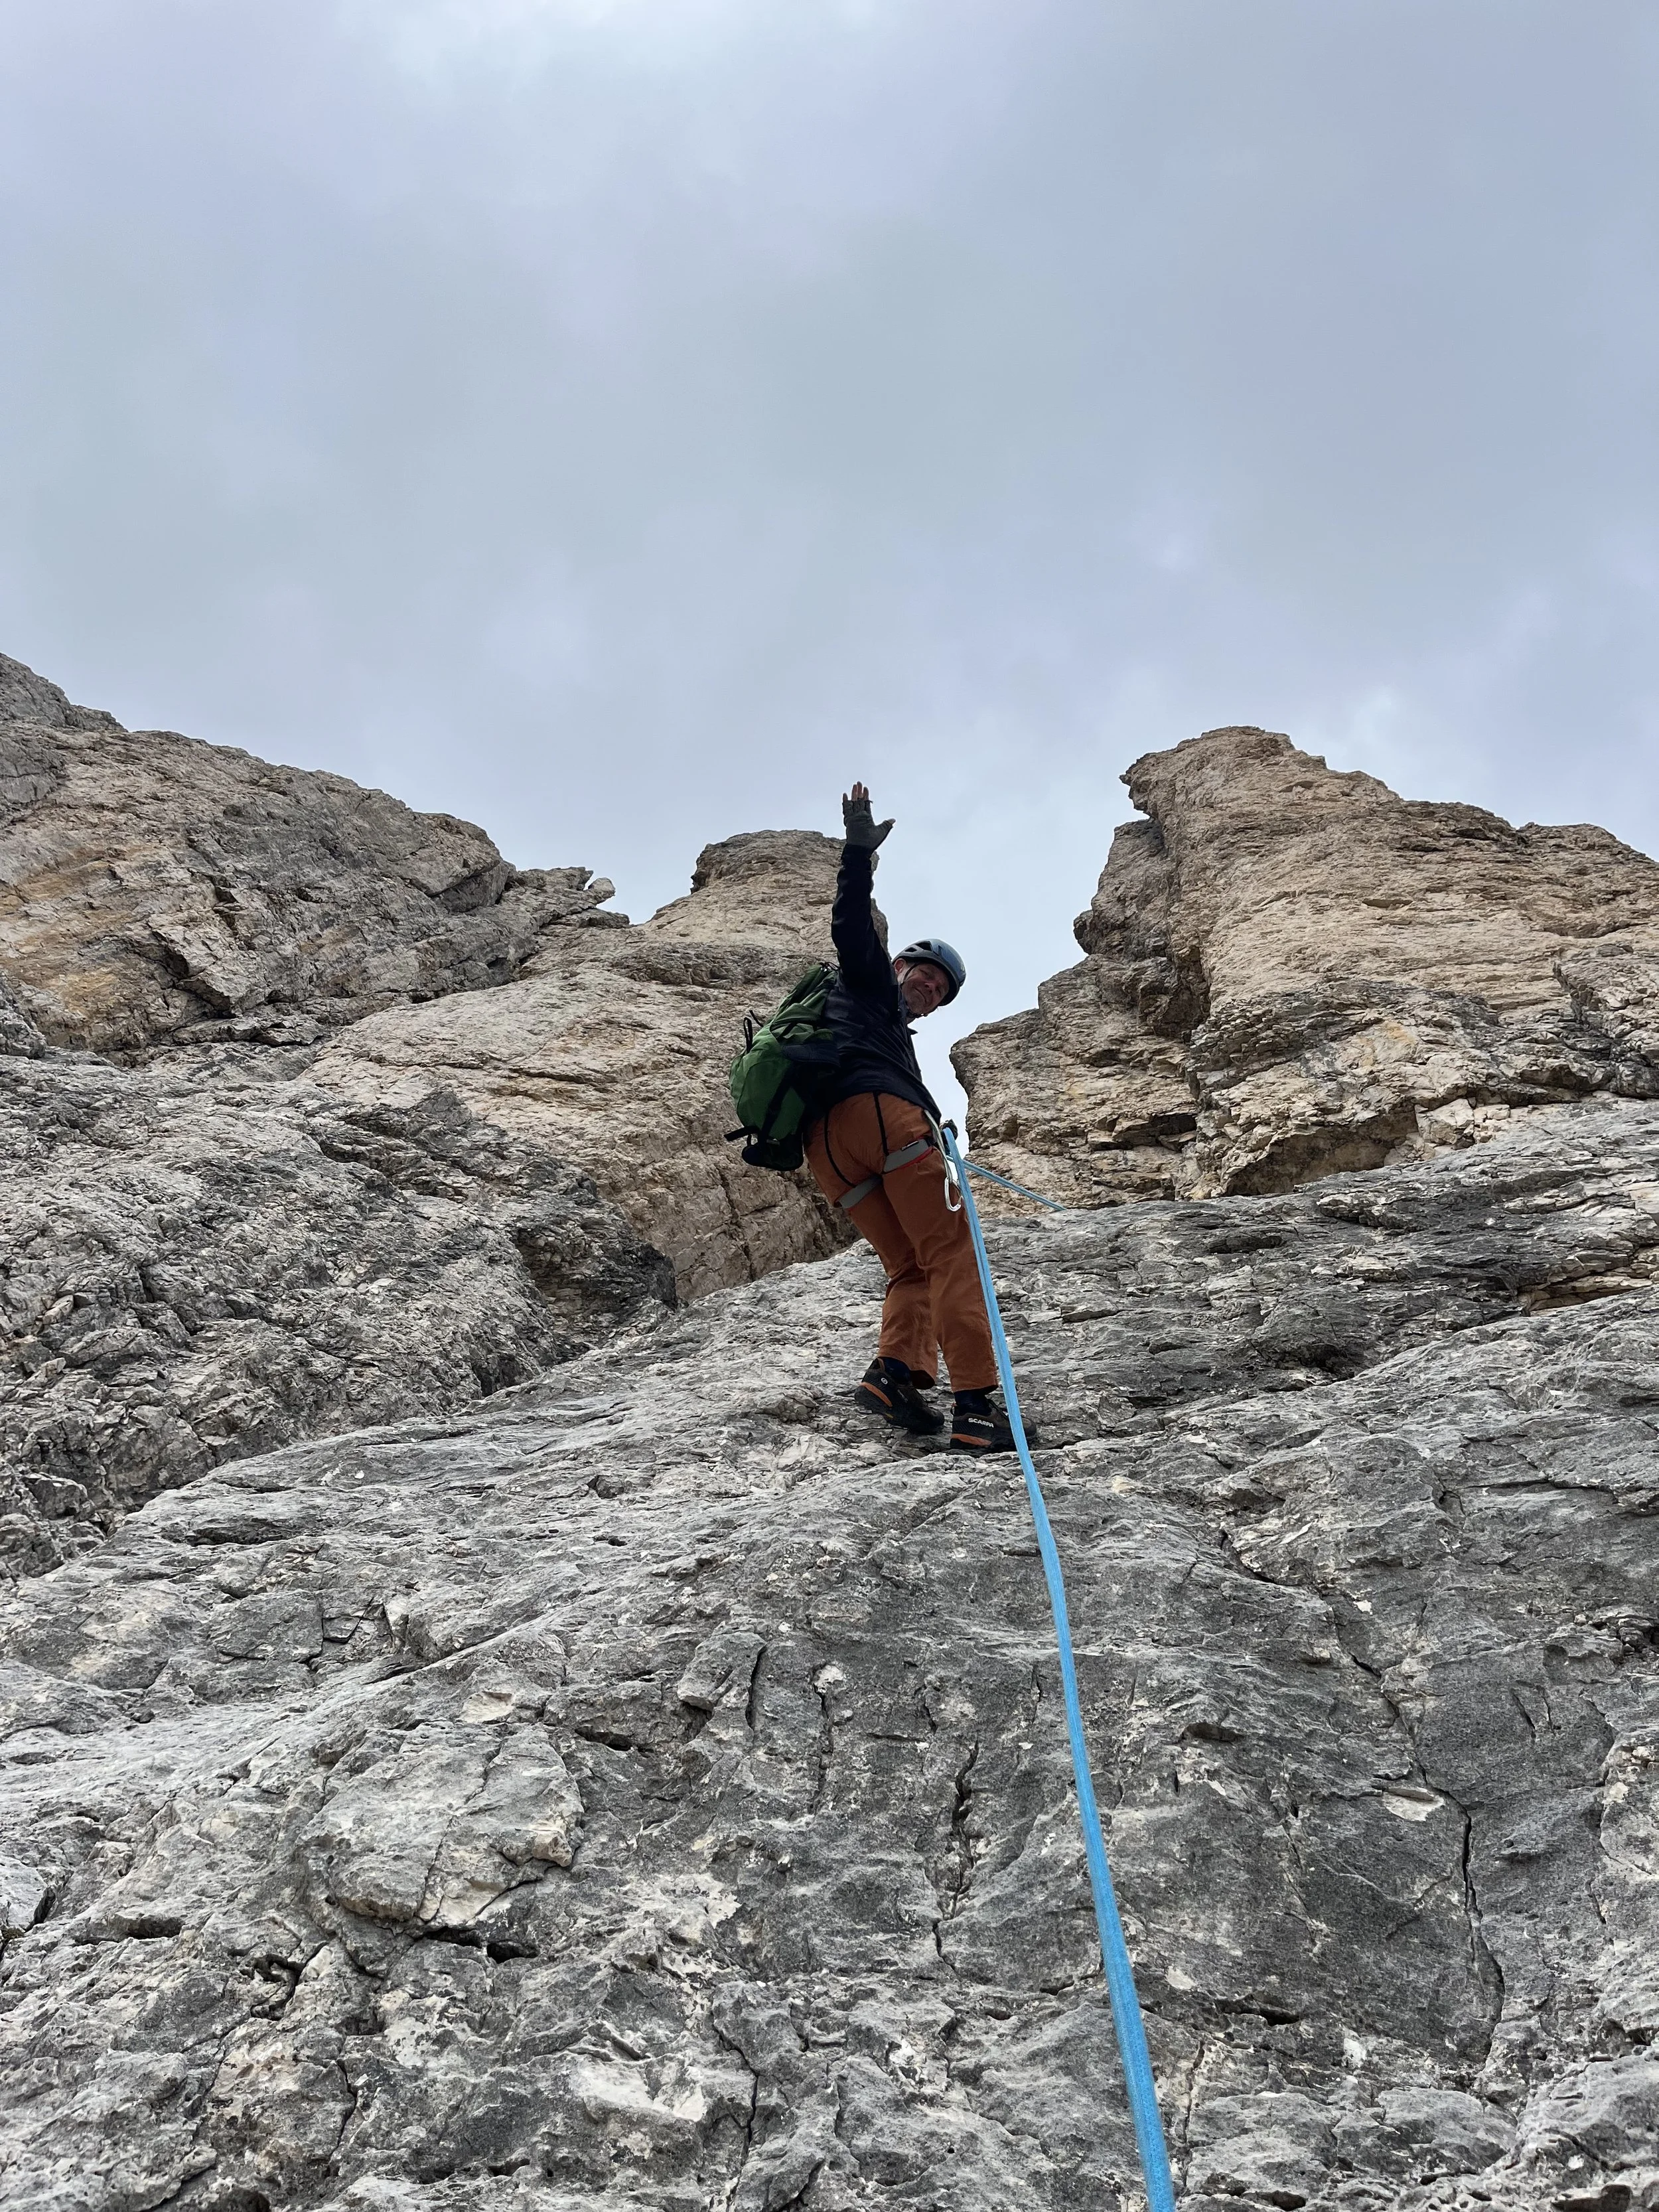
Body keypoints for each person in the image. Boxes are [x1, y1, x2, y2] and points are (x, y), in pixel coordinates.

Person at [804, 781, 1017, 1453]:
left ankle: (894, 1375)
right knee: (955, 1254)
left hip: (829, 1150)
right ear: (899, 965)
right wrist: (857, 853)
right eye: (925, 975)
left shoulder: (875, 1021)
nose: (930, 989)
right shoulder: (867, 984)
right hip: (881, 1121)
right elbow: (849, 925)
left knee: (909, 1265)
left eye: (940, 990)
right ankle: (979, 1405)